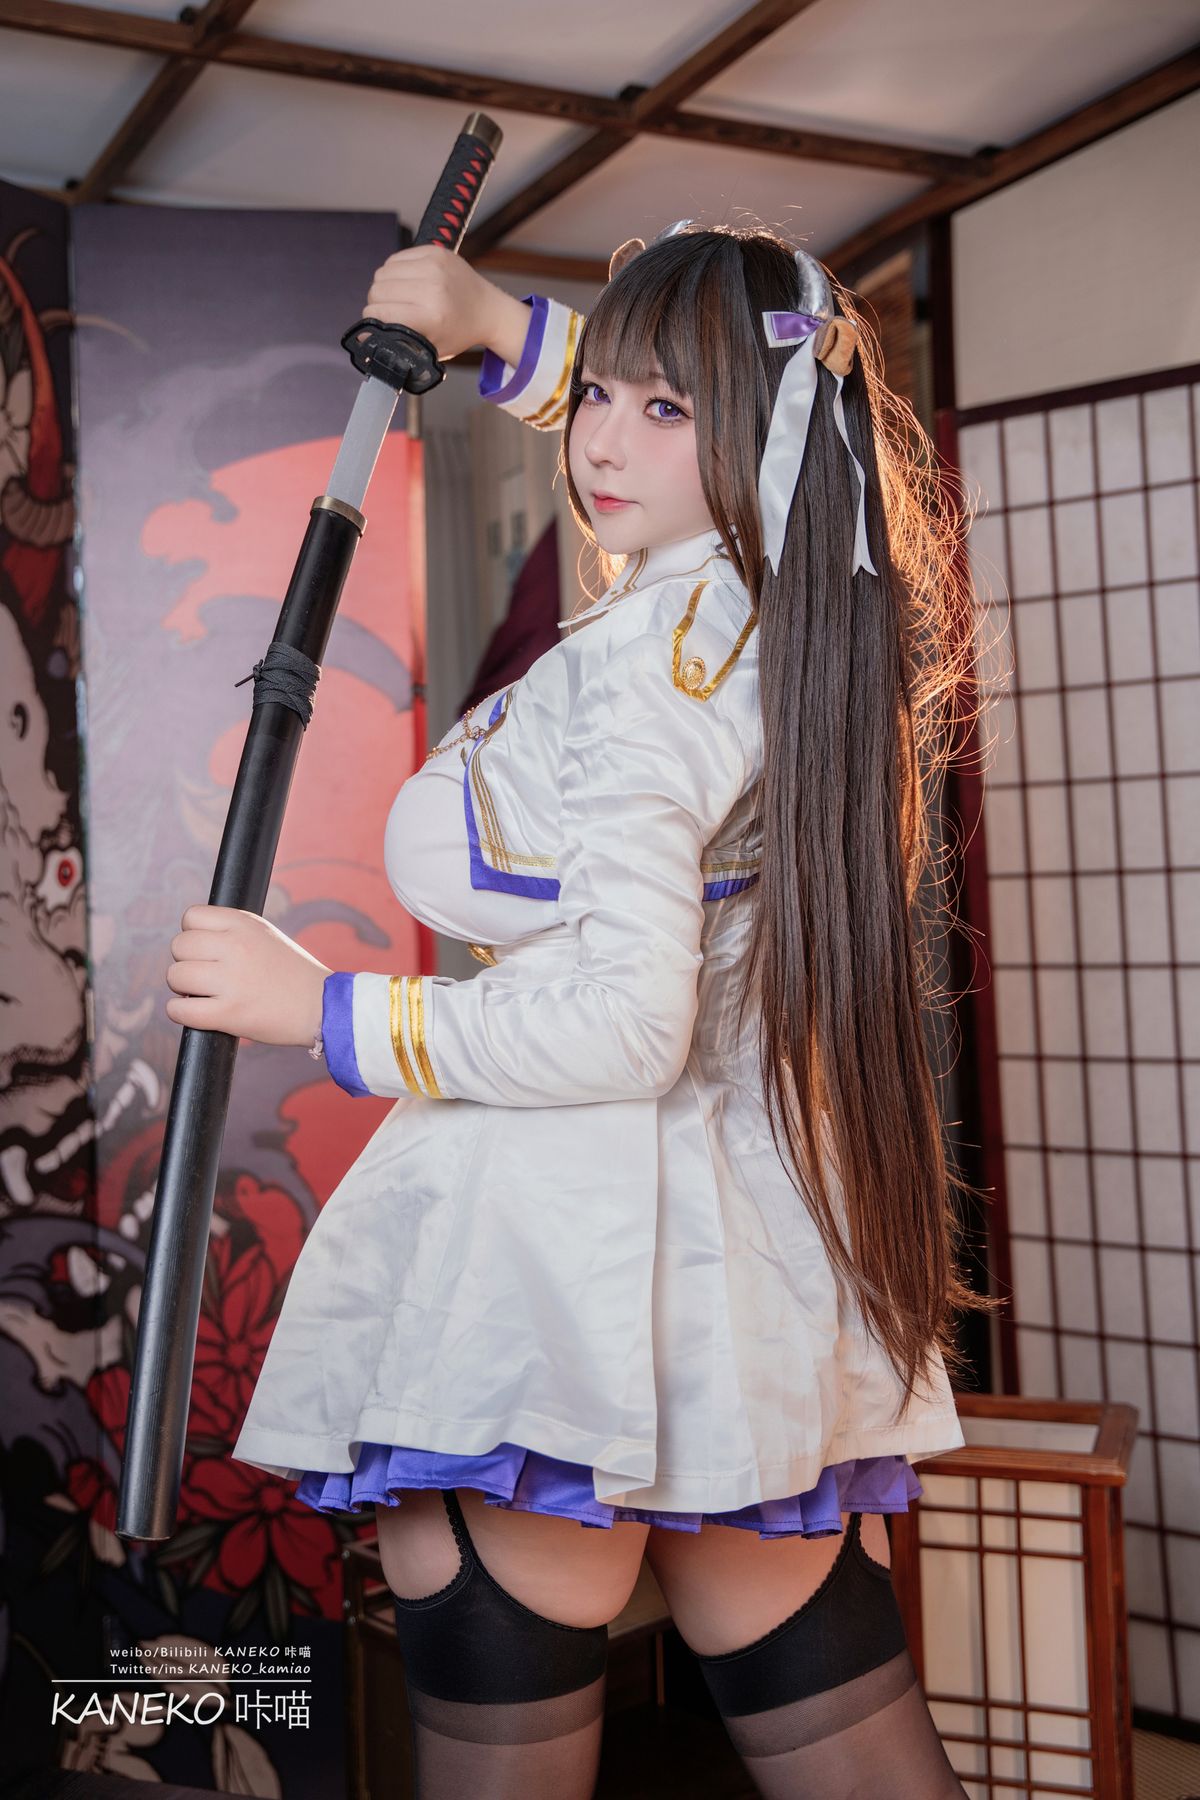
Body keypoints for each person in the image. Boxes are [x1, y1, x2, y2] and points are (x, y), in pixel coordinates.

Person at [165, 224, 977, 1798]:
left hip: (550, 1287)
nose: (601, 441)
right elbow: (690, 438)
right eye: (595, 394)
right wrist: (502, 328)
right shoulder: (772, 606)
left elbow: (621, 1026)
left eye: (658, 408)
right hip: (732, 1294)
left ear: (753, 432)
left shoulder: (647, 677)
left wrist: (325, 1011)